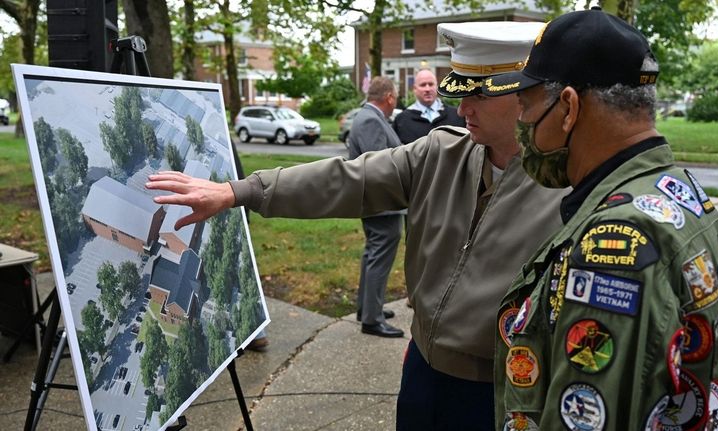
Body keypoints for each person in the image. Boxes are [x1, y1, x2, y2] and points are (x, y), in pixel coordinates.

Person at [146, 21, 567, 430]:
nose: (463, 108)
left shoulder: (569, 186)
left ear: (528, 95)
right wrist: (238, 192)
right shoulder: (442, 153)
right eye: (459, 91)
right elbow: (347, 180)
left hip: (507, 388)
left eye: (480, 95)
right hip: (425, 369)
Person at [482, 9, 718, 430]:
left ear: (568, 107)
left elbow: (589, 412)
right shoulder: (680, 192)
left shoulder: (616, 243)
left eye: (526, 106)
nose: (522, 124)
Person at [348, 76, 405, 338]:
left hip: (376, 202)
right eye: (396, 97)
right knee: (379, 258)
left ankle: (368, 308)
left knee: (373, 255)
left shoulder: (368, 117)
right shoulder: (371, 119)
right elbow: (381, 165)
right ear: (389, 97)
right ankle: (372, 318)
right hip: (382, 203)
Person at [392, 69, 465, 145]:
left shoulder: (457, 115)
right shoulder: (402, 120)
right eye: (423, 85)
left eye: (431, 84)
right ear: (414, 89)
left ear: (437, 86)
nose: (427, 89)